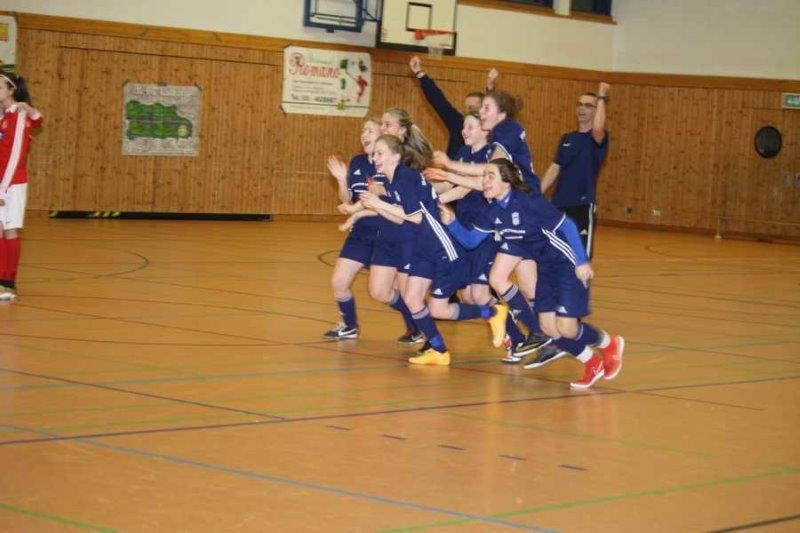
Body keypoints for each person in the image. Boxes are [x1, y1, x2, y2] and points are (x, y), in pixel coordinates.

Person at [444, 158, 624, 389]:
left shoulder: (528, 202)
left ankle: (608, 343)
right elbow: (470, 241)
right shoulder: (493, 212)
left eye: (490, 176)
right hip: (546, 269)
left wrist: (581, 261)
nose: (484, 181)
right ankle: (592, 362)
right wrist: (451, 223)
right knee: (547, 327)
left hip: (567, 264)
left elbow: (567, 225)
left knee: (567, 327)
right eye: (484, 176)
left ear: (507, 182)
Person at [359, 135, 508, 366]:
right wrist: (376, 206)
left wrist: (378, 203)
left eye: (380, 153)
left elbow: (417, 217)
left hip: (440, 247)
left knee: (439, 309)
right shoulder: (393, 181)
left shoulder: (406, 178)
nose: (374, 157)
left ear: (396, 156)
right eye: (373, 154)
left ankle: (493, 313)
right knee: (412, 299)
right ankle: (439, 351)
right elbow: (401, 219)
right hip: (422, 247)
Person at [323, 118, 382, 339]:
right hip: (360, 232)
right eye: (362, 130)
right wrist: (341, 180)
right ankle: (350, 325)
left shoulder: (387, 165)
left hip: (385, 233)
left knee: (386, 292)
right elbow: (347, 198)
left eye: (370, 130)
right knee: (339, 282)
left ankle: (416, 327)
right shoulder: (358, 161)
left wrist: (352, 210)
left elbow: (375, 200)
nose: (364, 135)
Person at [539, 83, 610, 258]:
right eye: (579, 104)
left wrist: (601, 96)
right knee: (555, 252)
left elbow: (598, 128)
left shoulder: (597, 138)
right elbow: (554, 168)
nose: (582, 108)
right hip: (558, 203)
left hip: (582, 205)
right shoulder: (567, 138)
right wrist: (537, 193)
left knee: (580, 256)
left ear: (596, 111)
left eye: (588, 105)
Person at [0, 72, 43, 301]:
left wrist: (2, 188)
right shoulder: (6, 115)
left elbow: (15, 155)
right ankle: (4, 281)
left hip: (12, 183)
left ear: (11, 90)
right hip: (3, 181)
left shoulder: (17, 115)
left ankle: (7, 284)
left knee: (9, 230)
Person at [408, 56, 498, 159]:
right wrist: (420, 73)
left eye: (472, 107)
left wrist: (490, 89)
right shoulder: (457, 123)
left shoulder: (490, 130)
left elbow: (493, 110)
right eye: (466, 107)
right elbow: (438, 100)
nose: (468, 111)